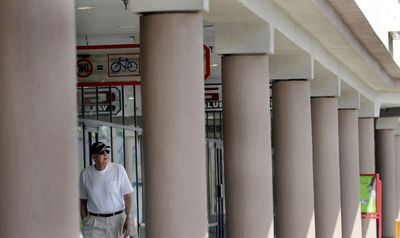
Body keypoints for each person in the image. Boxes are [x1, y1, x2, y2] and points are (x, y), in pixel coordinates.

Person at [79, 142, 134, 238]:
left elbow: (128, 196)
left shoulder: (118, 169)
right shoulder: (85, 174)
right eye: (101, 152)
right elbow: (82, 201)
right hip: (94, 223)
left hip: (117, 221)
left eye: (107, 151)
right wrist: (86, 221)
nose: (105, 154)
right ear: (94, 157)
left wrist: (128, 218)